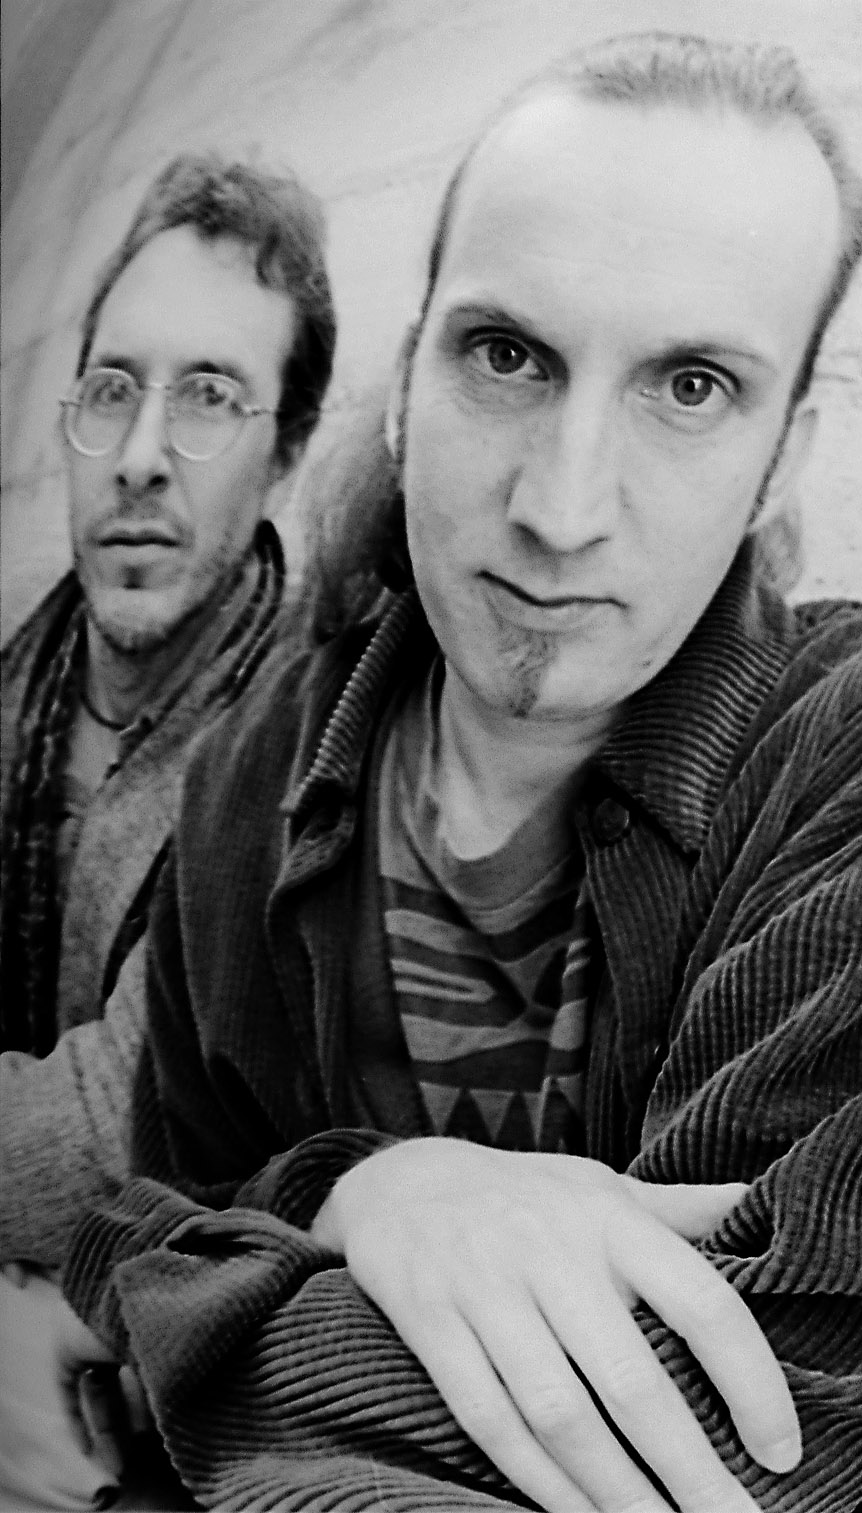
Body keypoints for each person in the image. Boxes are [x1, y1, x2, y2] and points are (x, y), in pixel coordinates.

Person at [56, 32, 862, 1513]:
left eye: (692, 386)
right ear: (408, 386)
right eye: (507, 357)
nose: (562, 508)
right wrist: (365, 1188)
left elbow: (749, 1432)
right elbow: (146, 1227)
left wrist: (186, 1357)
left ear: (782, 461)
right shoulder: (247, 779)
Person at [0, 152, 332, 1511]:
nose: (140, 455)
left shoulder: (303, 748)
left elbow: (108, 1131)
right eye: (112, 389)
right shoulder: (17, 674)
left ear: (286, 452)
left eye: (207, 397)